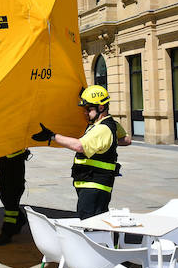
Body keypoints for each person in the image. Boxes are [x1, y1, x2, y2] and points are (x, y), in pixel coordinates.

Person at [31, 85, 131, 219]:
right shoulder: (107, 124)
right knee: (95, 220)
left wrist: (52, 136)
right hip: (91, 183)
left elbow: (79, 146)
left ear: (101, 108)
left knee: (90, 222)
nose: (85, 113)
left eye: (89, 109)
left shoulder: (102, 129)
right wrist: (107, 142)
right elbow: (126, 140)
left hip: (95, 184)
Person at [0, 148, 29, 245]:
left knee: (11, 198)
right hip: (2, 158)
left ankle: (7, 232)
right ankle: (19, 218)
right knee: (3, 194)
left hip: (15, 161)